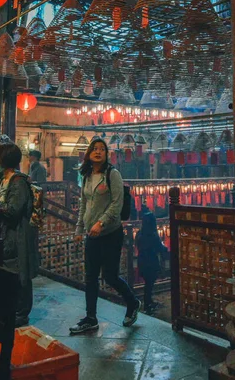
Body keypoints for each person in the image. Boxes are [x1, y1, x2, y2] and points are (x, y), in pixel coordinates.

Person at [70, 138, 141, 334]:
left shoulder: (113, 174)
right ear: (89, 153)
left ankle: (132, 302)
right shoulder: (86, 176)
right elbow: (84, 205)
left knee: (110, 276)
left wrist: (101, 223)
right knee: (90, 277)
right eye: (95, 149)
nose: (98, 152)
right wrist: (79, 228)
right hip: (91, 234)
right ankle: (91, 318)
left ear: (106, 154)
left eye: (102, 149)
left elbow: (117, 205)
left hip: (110, 233)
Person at [0, 142, 38, 327]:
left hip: (18, 237)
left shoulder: (18, 182)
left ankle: (21, 315)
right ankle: (10, 311)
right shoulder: (3, 180)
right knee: (9, 274)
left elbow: (13, 211)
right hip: (6, 236)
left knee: (20, 276)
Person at [135, 212, 168, 314]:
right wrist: (165, 248)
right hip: (151, 261)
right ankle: (147, 304)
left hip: (142, 261)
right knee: (149, 284)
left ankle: (148, 302)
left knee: (148, 284)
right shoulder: (153, 235)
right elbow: (160, 248)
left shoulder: (139, 234)